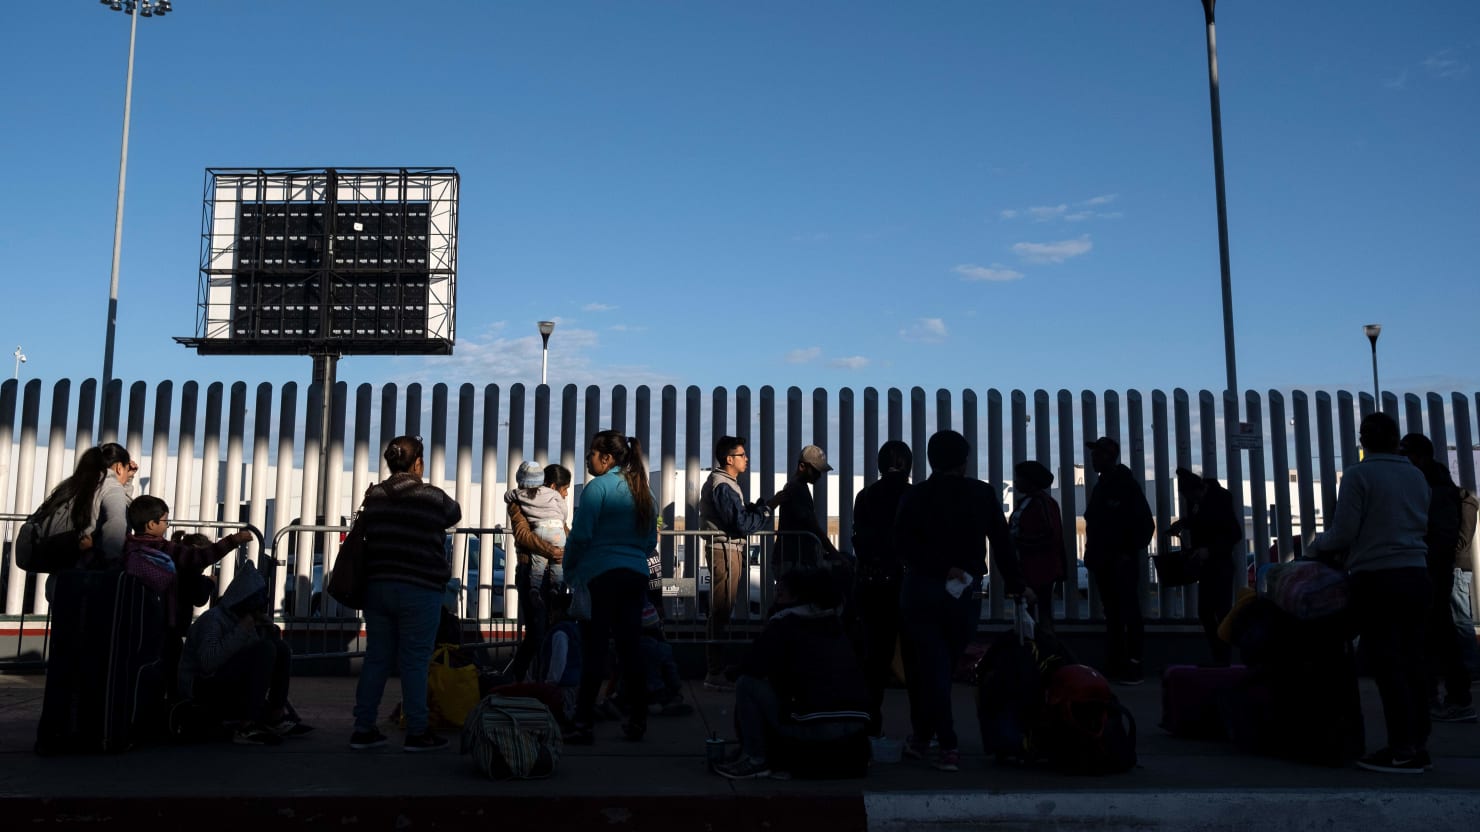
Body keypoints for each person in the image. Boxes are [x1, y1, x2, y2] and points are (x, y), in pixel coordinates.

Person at [894, 429, 1028, 772]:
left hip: (922, 588)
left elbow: (903, 544)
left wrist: (940, 566)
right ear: (965, 460)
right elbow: (1001, 543)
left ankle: (931, 738)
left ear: (930, 460)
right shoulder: (982, 494)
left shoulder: (917, 495)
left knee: (931, 666)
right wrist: (1015, 585)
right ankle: (942, 742)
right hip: (965, 592)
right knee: (944, 664)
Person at [1306, 413, 1431, 774]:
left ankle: (1400, 750)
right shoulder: (1416, 474)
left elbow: (1344, 532)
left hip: (1378, 577)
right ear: (1396, 439)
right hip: (1416, 574)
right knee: (1414, 663)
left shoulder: (1359, 475)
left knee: (1388, 663)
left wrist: (1315, 548)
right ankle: (1419, 745)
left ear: (1363, 441)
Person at [349, 435, 463, 753]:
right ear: (418, 464)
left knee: (376, 659)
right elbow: (455, 514)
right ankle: (417, 730)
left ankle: (363, 728)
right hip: (419, 589)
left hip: (378, 587)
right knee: (414, 662)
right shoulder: (432, 496)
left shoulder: (374, 496)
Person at [714, 568, 870, 780]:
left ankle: (755, 759)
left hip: (815, 724)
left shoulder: (785, 623)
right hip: (856, 724)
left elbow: (752, 666)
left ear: (797, 597)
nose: (775, 598)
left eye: (780, 594)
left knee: (746, 684)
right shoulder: (838, 623)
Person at [562, 430, 659, 745]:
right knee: (630, 648)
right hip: (634, 575)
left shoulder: (596, 489)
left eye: (591, 452)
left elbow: (581, 535)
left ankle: (583, 722)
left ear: (606, 458)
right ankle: (638, 720)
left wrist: (570, 569)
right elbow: (650, 541)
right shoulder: (643, 491)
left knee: (595, 649)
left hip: (600, 576)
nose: (588, 458)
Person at [123, 495, 253, 692]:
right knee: (170, 675)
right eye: (165, 521)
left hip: (135, 625)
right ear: (151, 524)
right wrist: (232, 541)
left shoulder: (126, 547)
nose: (167, 526)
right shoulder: (166, 549)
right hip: (167, 626)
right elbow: (200, 557)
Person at [177, 559, 307, 745]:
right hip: (200, 687)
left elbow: (254, 658)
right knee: (266, 650)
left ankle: (275, 716)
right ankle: (246, 725)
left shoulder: (244, 620)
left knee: (279, 649)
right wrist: (242, 630)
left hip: (224, 682)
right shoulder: (213, 620)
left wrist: (269, 633)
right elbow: (208, 662)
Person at [1399, 433, 1474, 724]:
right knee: (1440, 634)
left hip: (1431, 571)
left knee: (1436, 635)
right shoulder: (1437, 485)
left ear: (1421, 457)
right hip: (1433, 571)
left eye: (1408, 454)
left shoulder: (1435, 489)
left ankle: (1449, 698)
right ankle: (1449, 697)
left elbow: (1441, 536)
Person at [699, 435, 774, 691]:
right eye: (742, 455)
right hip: (725, 549)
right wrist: (763, 514)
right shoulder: (723, 485)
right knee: (720, 608)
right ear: (729, 459)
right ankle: (714, 671)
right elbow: (740, 524)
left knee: (722, 608)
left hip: (727, 549)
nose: (746, 459)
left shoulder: (725, 483)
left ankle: (715, 668)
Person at [850, 439, 912, 736]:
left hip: (874, 585)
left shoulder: (866, 496)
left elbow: (859, 539)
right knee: (918, 660)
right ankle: (926, 732)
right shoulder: (916, 496)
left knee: (874, 660)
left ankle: (870, 723)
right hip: (910, 585)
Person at [1082, 436, 1154, 686]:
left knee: (1127, 612)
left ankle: (1133, 663)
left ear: (1109, 457)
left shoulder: (1125, 486)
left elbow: (1145, 525)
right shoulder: (1103, 486)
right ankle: (1116, 662)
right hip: (1105, 561)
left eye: (1097, 454)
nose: (1092, 459)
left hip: (1119, 563)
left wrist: (1125, 552)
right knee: (1114, 613)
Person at [505, 461, 573, 681]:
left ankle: (540, 680)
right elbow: (522, 534)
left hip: (549, 571)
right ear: (553, 486)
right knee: (537, 631)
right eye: (564, 490)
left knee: (549, 629)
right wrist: (552, 550)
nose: (565, 496)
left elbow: (565, 532)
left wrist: (567, 549)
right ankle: (519, 679)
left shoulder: (551, 505)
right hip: (530, 568)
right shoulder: (518, 502)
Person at [1167, 467, 1243, 667]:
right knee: (1208, 612)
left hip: (1219, 564)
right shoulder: (1198, 501)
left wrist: (1209, 550)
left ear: (1200, 490)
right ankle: (1220, 657)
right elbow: (1204, 523)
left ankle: (1223, 658)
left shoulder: (1220, 500)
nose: (1193, 502)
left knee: (1218, 612)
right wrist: (1185, 524)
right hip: (1210, 565)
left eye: (1194, 497)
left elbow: (1234, 534)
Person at [31, 442, 136, 571]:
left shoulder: (76, 482)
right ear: (119, 468)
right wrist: (111, 567)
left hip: (60, 574)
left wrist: (127, 480)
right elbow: (116, 526)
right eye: (126, 470)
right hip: (87, 576)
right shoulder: (112, 488)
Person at [1009, 460, 1065, 638]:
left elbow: (1050, 535)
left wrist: (1019, 542)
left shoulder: (1041, 504)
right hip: (1030, 569)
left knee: (1036, 614)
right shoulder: (1032, 502)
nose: (1015, 482)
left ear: (1030, 480)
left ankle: (1041, 653)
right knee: (1032, 614)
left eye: (1019, 478)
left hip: (1039, 570)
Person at [772, 444, 842, 570]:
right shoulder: (797, 489)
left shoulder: (794, 486)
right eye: (815, 470)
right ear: (802, 466)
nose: (819, 475)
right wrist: (833, 552)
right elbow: (812, 525)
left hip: (789, 557)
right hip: (794, 560)